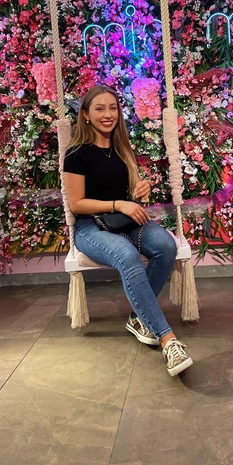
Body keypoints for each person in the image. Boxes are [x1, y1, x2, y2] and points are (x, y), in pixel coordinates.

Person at [63, 84, 193, 376]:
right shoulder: (76, 154)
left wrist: (138, 191)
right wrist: (118, 204)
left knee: (166, 246)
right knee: (127, 255)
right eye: (99, 109)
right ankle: (168, 340)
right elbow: (76, 203)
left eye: (112, 108)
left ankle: (139, 318)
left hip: (123, 221)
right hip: (90, 227)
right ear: (85, 115)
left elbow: (130, 193)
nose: (107, 114)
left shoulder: (121, 148)